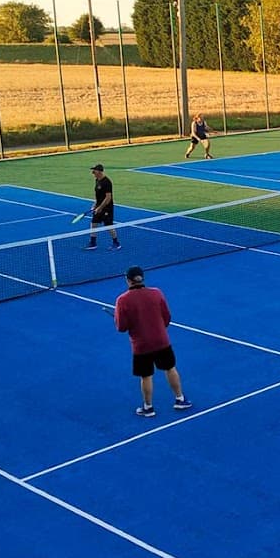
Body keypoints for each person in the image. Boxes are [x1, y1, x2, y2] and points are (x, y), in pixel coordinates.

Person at [115, 266, 191, 417]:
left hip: (141, 345)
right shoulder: (156, 293)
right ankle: (180, 399)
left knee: (146, 376)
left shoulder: (122, 300)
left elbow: (121, 327)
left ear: (128, 280)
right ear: (142, 278)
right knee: (170, 368)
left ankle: (148, 407)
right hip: (161, 341)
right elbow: (167, 317)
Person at [85, 164, 121, 250]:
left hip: (107, 207)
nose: (93, 172)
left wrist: (100, 208)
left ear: (100, 171)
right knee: (94, 223)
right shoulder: (97, 180)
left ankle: (116, 243)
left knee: (109, 225)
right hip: (99, 206)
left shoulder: (107, 182)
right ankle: (93, 243)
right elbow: (98, 195)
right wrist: (95, 204)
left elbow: (108, 198)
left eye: (94, 170)